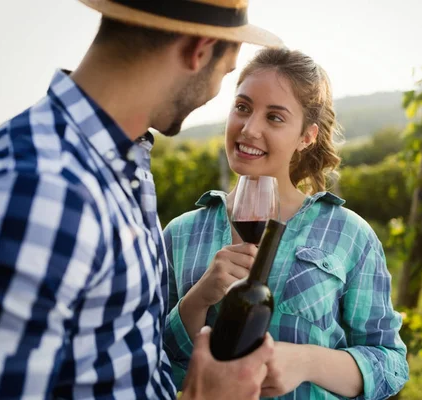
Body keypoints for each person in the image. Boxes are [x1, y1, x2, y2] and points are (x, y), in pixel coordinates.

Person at [0, 0, 283, 399]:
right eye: (225, 73)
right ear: (199, 49)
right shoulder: (42, 188)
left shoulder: (113, 162)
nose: (213, 94)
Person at [163, 48, 409, 399]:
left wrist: (308, 361)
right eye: (243, 108)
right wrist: (197, 300)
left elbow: (390, 364)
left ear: (306, 136)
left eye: (275, 118)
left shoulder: (350, 235)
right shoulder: (180, 233)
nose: (249, 129)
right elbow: (147, 362)